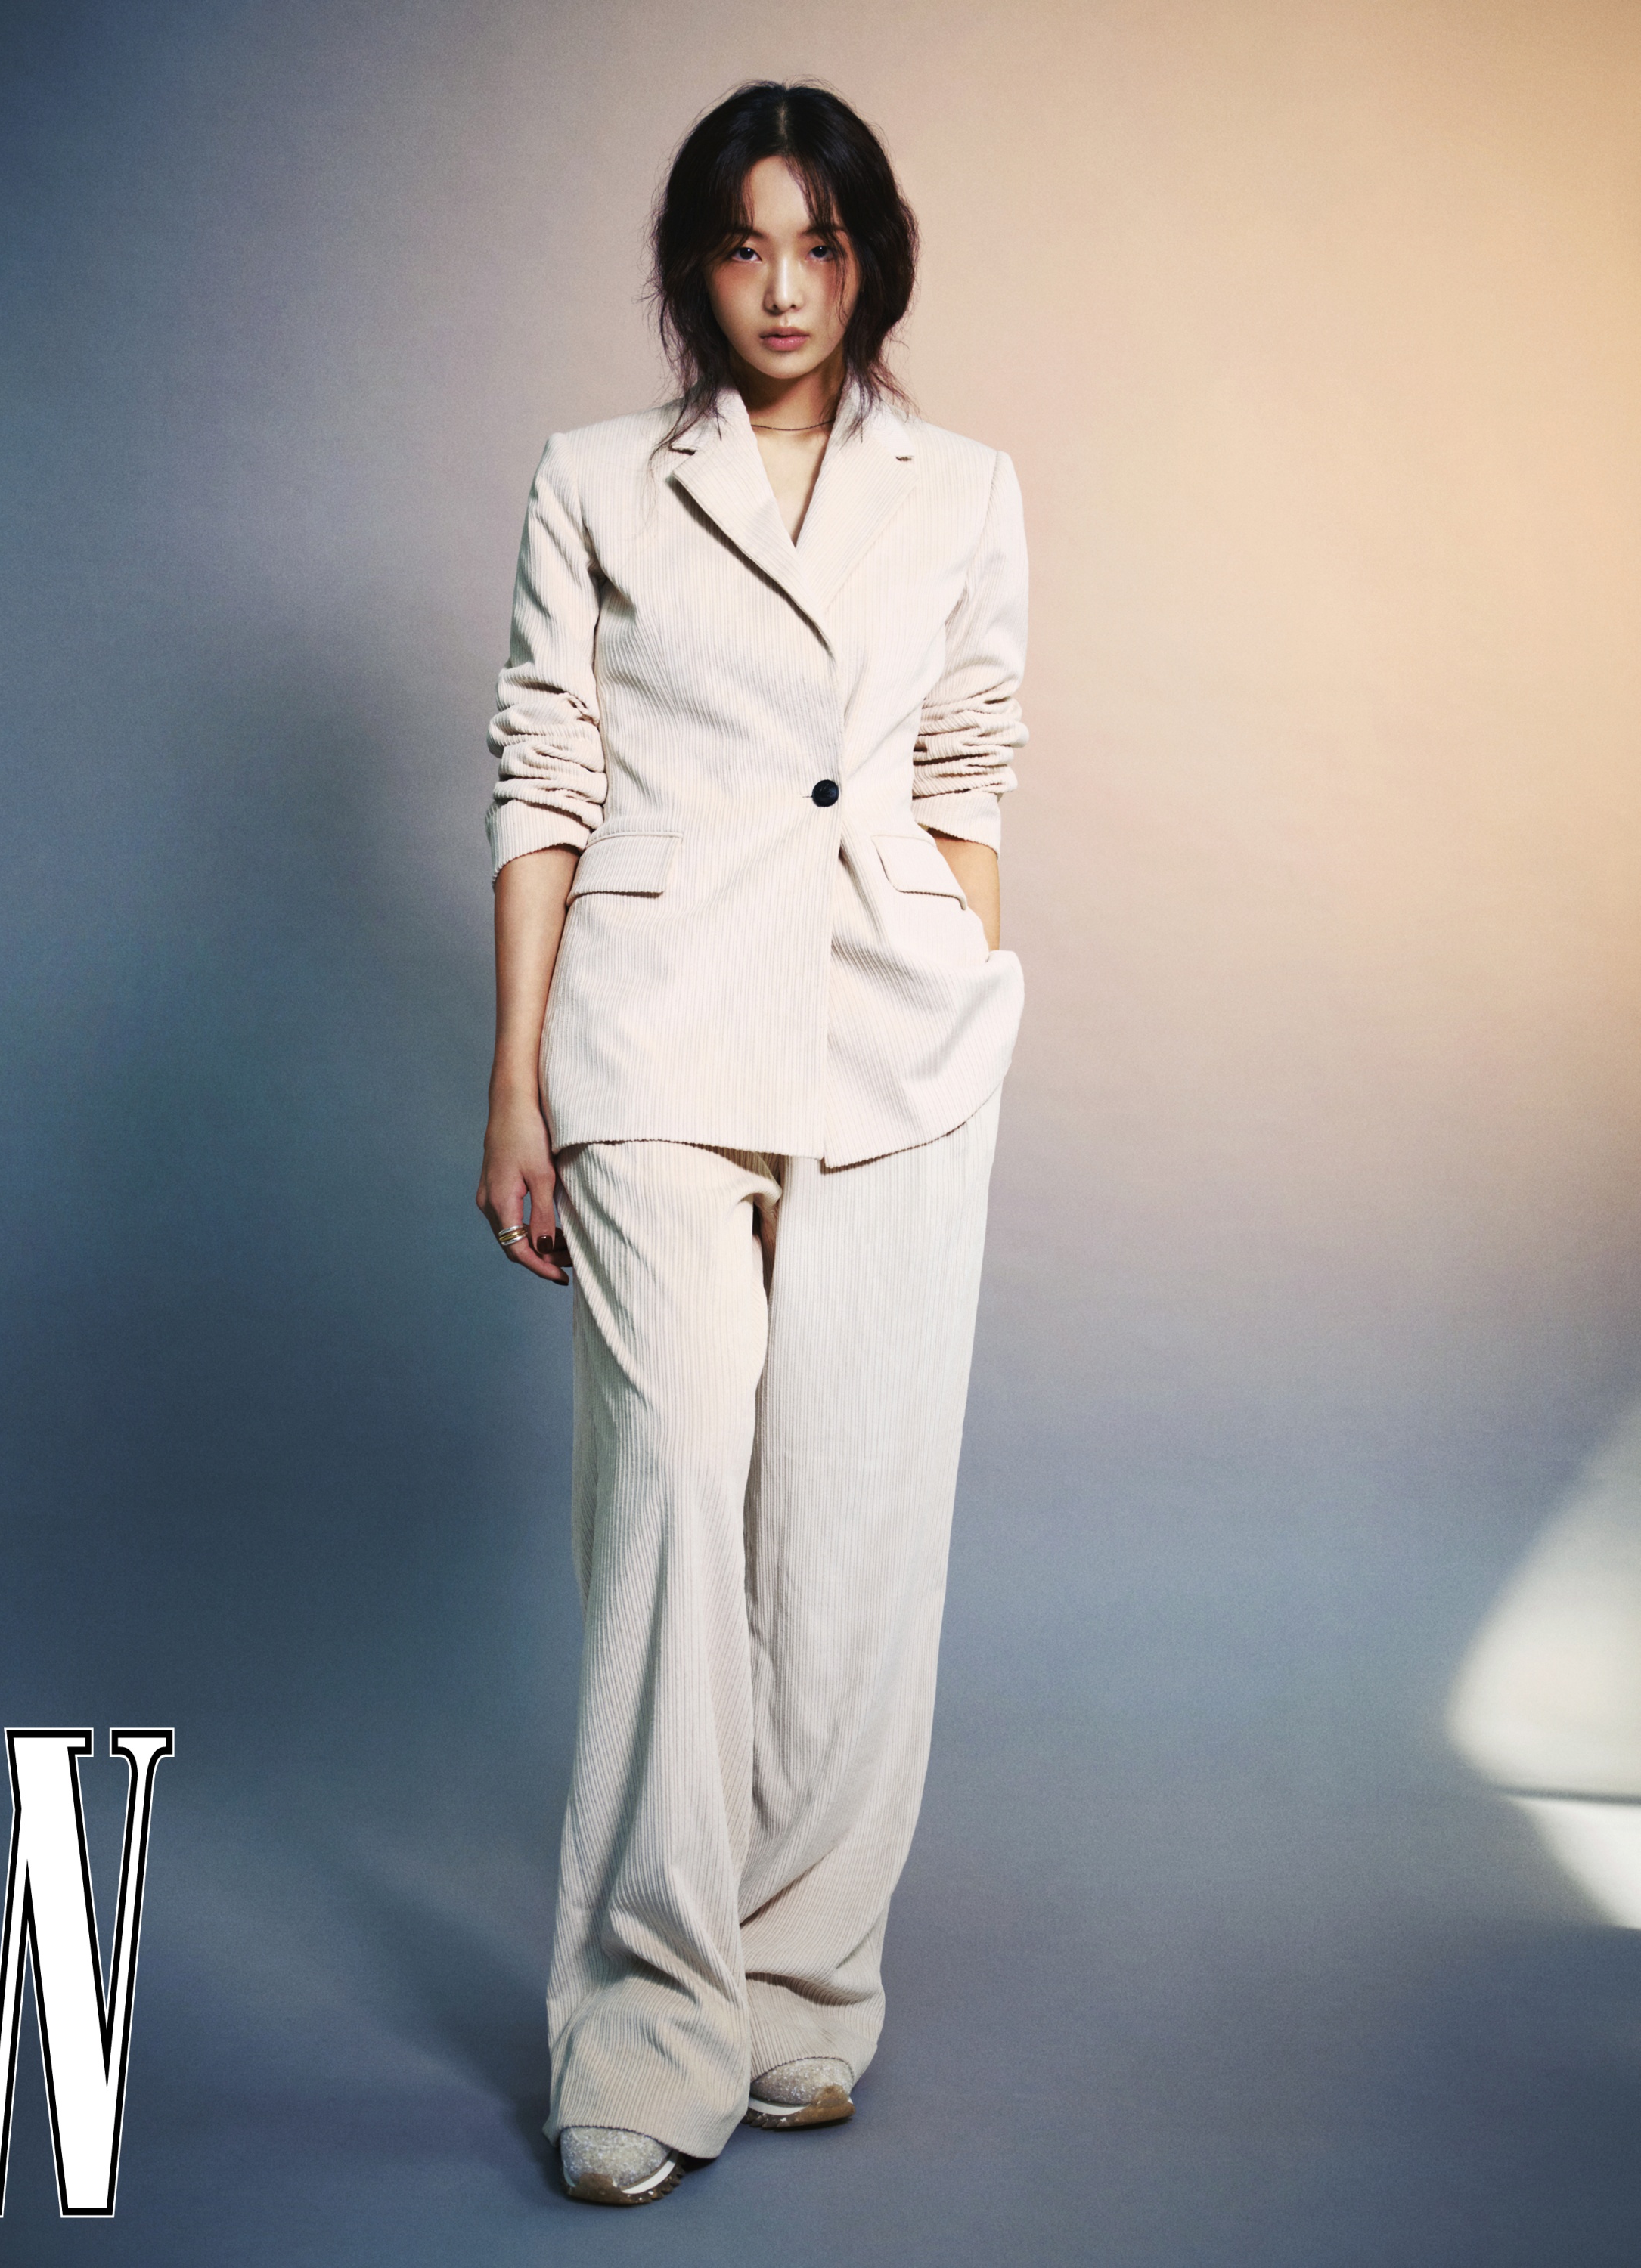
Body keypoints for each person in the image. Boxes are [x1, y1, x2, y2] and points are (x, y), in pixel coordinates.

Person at [476, 79, 1027, 2207]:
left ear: (871, 257)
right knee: (673, 1505)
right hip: (653, 1033)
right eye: (741, 245)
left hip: (890, 1040)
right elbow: (544, 774)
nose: (783, 289)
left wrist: (962, 1002)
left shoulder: (963, 492)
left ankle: (802, 1986)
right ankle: (644, 2025)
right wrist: (517, 1084)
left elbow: (969, 767)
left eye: (820, 243)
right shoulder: (597, 479)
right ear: (691, 269)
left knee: (854, 1535)